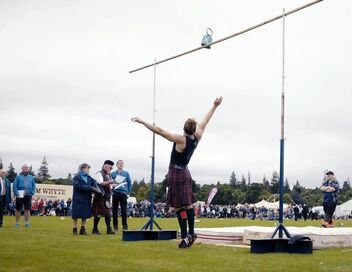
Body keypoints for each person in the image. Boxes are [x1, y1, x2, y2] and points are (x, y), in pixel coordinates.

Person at [132, 96, 223, 248]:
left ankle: (186, 234)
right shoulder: (197, 137)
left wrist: (143, 122)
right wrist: (214, 106)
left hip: (176, 173)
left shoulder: (181, 140)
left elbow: (160, 131)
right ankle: (190, 233)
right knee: (187, 205)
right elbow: (205, 121)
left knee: (180, 207)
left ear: (183, 128)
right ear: (194, 129)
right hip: (186, 172)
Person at [71, 163, 102, 235]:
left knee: (85, 214)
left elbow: (95, 186)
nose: (89, 170)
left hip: (87, 198)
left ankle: (83, 229)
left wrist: (100, 191)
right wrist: (88, 188)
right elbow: (77, 186)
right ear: (83, 168)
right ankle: (74, 229)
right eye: (88, 168)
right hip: (78, 198)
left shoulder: (90, 178)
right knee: (75, 214)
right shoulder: (76, 177)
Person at [91, 160, 115, 234]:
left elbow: (109, 185)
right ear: (105, 166)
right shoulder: (99, 173)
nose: (111, 169)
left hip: (107, 197)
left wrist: (113, 185)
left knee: (108, 213)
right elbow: (101, 183)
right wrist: (110, 182)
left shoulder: (109, 175)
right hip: (100, 196)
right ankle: (95, 229)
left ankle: (109, 229)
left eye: (111, 168)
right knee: (98, 213)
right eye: (110, 168)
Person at [111, 160, 132, 231]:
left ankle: (125, 226)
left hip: (123, 193)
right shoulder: (113, 174)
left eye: (122, 163)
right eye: (119, 163)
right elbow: (110, 183)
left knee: (124, 210)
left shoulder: (126, 173)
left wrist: (128, 192)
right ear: (116, 165)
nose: (121, 164)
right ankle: (115, 226)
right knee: (115, 210)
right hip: (115, 193)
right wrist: (111, 188)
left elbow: (129, 183)